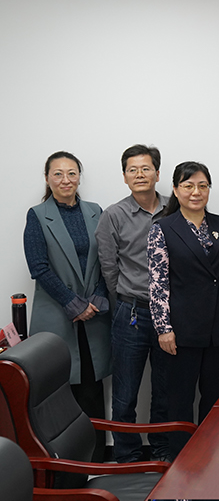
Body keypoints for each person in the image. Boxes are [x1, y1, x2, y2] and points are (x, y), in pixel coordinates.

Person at [147, 161, 219, 459]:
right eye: (188, 186)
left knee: (215, 397)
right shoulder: (162, 229)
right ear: (176, 190)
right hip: (182, 329)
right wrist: (164, 328)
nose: (196, 192)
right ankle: (181, 461)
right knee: (179, 400)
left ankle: (211, 456)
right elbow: (157, 283)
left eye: (202, 186)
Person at [24, 151, 111, 462]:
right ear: (47, 178)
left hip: (94, 316)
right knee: (60, 392)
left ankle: (97, 461)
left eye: (72, 173)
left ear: (79, 177)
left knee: (92, 388)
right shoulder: (37, 215)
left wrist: (97, 299)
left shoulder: (95, 211)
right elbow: (39, 267)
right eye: (58, 174)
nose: (66, 180)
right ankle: (68, 464)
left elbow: (108, 259)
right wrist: (74, 304)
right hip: (58, 316)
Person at [95, 144, 170, 463]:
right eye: (132, 170)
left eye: (146, 168)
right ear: (124, 176)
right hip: (131, 313)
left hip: (170, 316)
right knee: (125, 394)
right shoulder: (113, 215)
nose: (140, 174)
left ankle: (162, 452)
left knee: (165, 391)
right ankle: (126, 457)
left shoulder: (175, 208)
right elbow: (108, 267)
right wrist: (127, 299)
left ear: (157, 173)